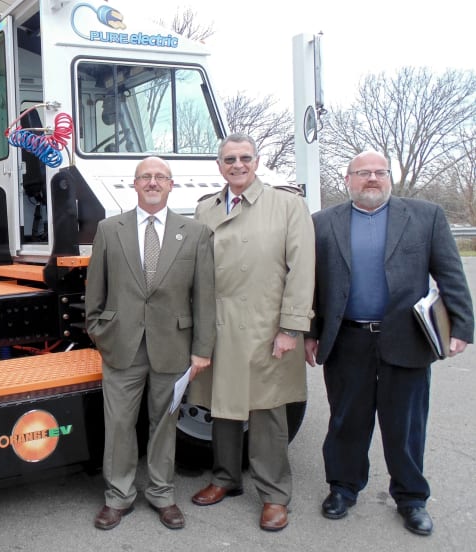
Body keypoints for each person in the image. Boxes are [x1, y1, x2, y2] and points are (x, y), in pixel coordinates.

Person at [304, 150, 474, 536]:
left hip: (406, 337)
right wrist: (310, 333)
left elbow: (450, 272)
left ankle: (411, 498)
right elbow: (312, 284)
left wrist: (462, 325)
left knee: (406, 424)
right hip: (347, 339)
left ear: (389, 178)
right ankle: (343, 488)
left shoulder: (426, 216)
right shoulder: (323, 223)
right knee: (346, 420)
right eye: (363, 173)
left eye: (380, 172)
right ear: (347, 179)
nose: (372, 179)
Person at [190, 133, 315, 531]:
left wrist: (290, 327)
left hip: (266, 325)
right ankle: (225, 477)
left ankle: (274, 494)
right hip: (220, 323)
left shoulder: (288, 205)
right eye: (229, 159)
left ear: (257, 162)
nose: (238, 165)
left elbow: (302, 270)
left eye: (245, 158)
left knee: (267, 412)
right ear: (219, 166)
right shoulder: (205, 208)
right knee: (223, 406)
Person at [85, 156, 216, 531]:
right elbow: (95, 289)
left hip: (173, 345)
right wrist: (99, 331)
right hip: (121, 345)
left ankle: (162, 494)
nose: (153, 182)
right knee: (119, 424)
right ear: (135, 184)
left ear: (171, 185)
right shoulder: (109, 229)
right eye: (146, 177)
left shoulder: (196, 233)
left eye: (160, 177)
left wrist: (202, 349)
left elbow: (205, 296)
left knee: (165, 423)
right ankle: (118, 496)